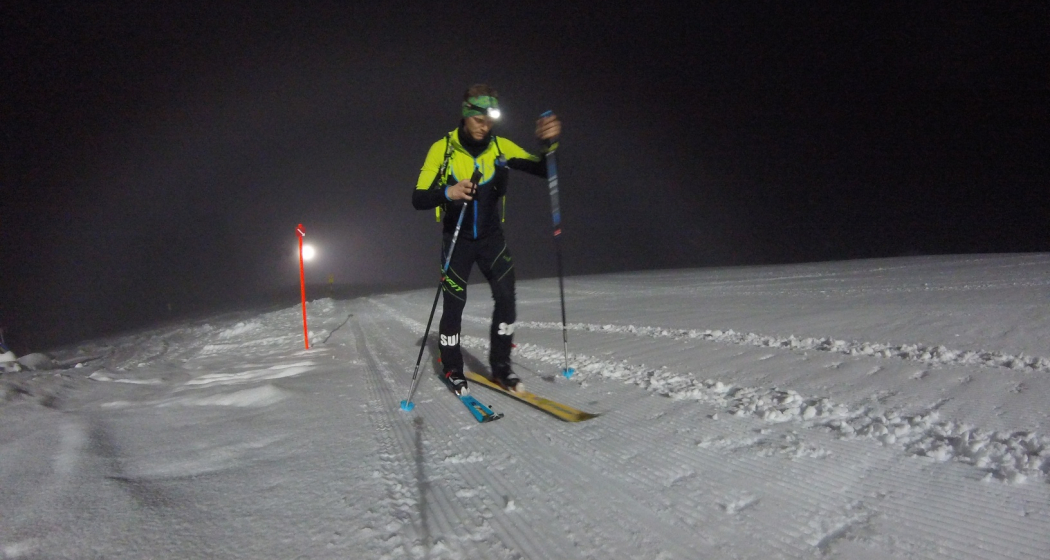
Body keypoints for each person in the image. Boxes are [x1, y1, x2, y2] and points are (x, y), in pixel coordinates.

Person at [412, 84, 561, 395]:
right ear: (466, 114)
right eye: (478, 119)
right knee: (454, 306)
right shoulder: (443, 149)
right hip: (458, 241)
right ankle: (453, 368)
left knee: (507, 299)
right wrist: (449, 192)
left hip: (492, 240)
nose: (484, 126)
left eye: (489, 120)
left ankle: (501, 367)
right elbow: (419, 197)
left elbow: (545, 170)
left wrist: (548, 143)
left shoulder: (500, 147)